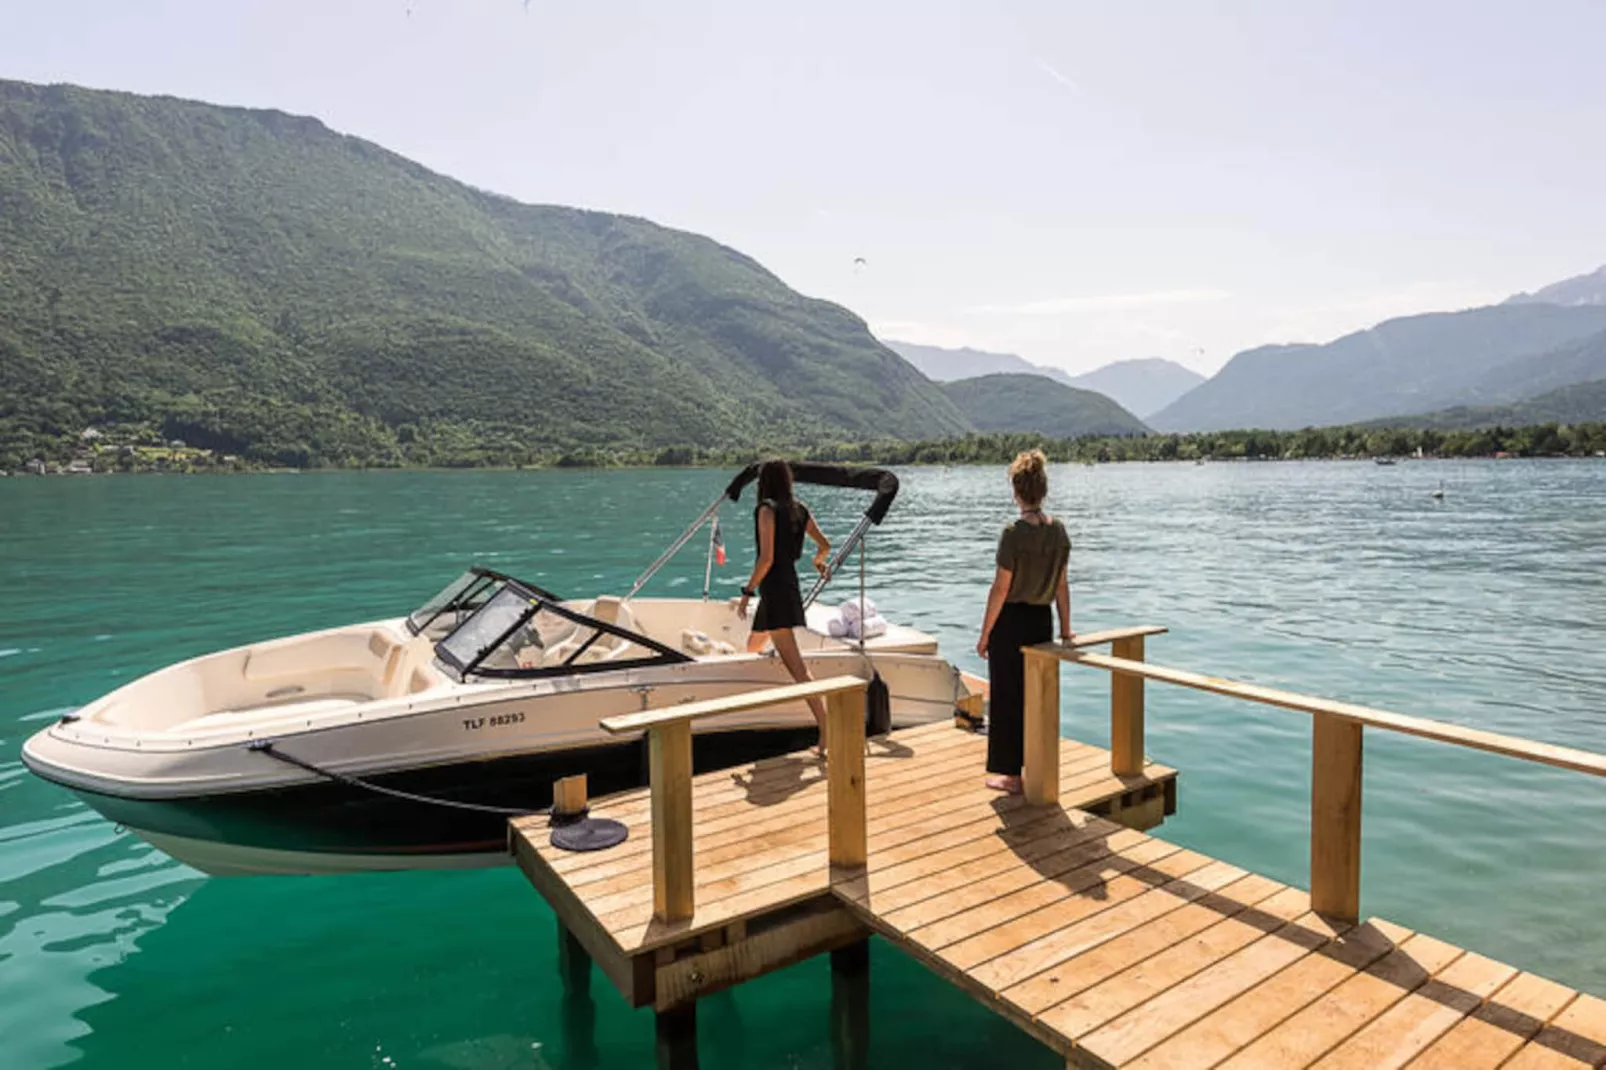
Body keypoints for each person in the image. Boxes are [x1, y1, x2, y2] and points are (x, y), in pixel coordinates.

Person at [976, 449, 1074, 792]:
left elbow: (1001, 588)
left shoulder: (1013, 532)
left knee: (1008, 698)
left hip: (1011, 622)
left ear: (1016, 491)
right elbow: (1061, 585)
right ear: (1043, 489)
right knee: (1037, 698)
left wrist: (985, 634)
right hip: (1041, 622)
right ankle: (1037, 767)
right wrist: (1065, 629)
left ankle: (1011, 775)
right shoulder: (1058, 531)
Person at [737, 459, 833, 750]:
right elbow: (825, 546)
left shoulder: (766, 509)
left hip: (774, 589)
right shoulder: (799, 509)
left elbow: (766, 559)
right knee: (752, 647)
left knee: (798, 669)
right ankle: (772, 652)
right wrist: (818, 564)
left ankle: (827, 729)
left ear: (764, 482)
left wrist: (747, 590)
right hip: (786, 586)